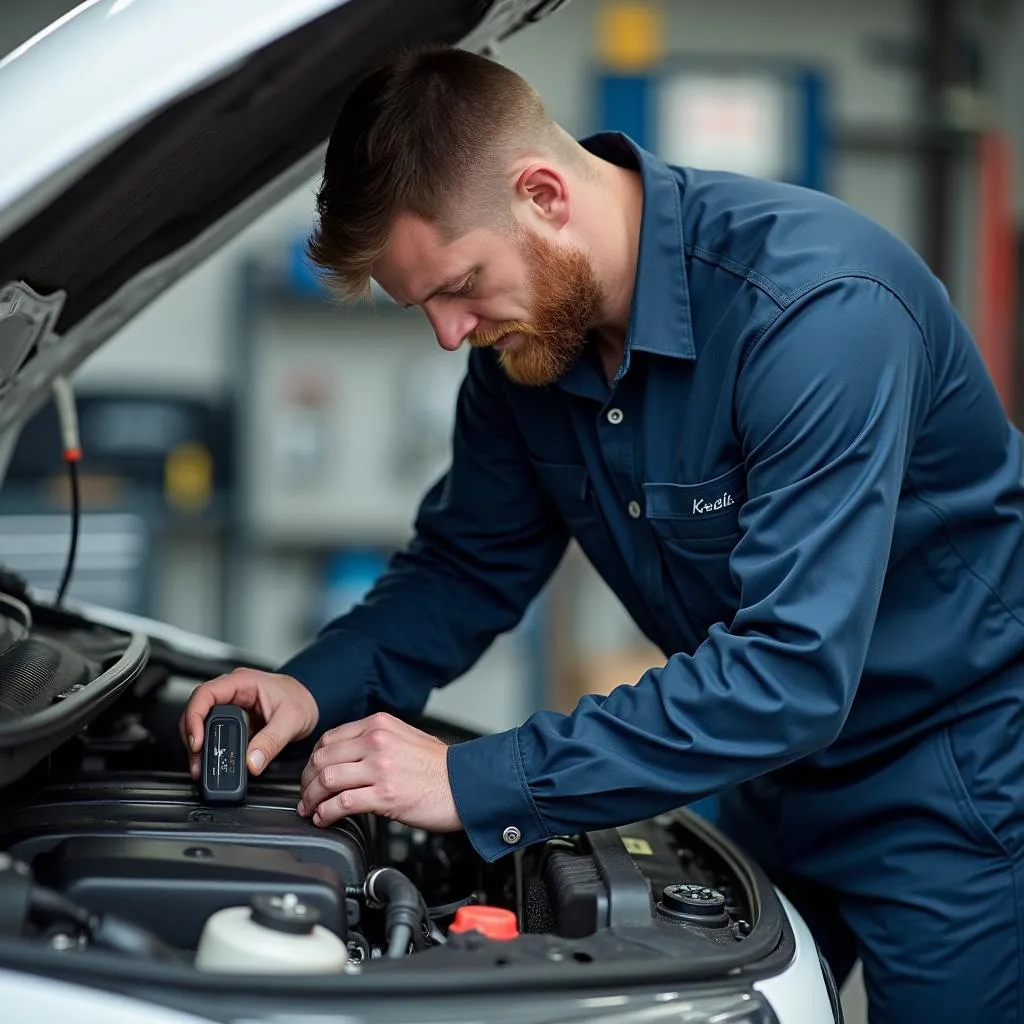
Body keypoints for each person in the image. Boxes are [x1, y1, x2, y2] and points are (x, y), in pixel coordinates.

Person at [181, 46, 1024, 1021]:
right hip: (757, 772)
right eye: (424, 309)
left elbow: (793, 668)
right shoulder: (527, 350)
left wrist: (474, 777)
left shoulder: (816, 313)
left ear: (541, 193)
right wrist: (307, 687)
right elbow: (464, 566)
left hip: (947, 780)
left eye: (459, 287)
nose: (449, 336)